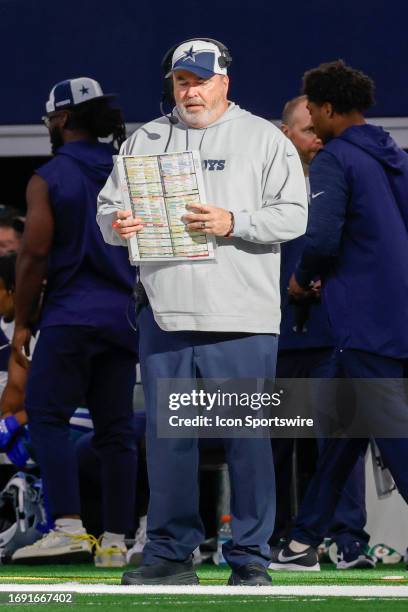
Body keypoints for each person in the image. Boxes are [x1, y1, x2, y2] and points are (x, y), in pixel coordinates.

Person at [97, 38, 307, 586]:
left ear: (225, 82)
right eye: (181, 81)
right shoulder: (146, 137)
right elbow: (107, 208)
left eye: (201, 80)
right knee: (169, 444)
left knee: (247, 445)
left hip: (242, 318)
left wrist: (232, 221)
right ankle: (168, 556)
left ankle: (251, 559)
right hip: (165, 316)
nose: (191, 91)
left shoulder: (264, 138)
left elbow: (294, 216)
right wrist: (116, 227)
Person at [272, 59, 408, 570]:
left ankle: (306, 536)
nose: (312, 119)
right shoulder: (395, 154)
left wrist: (302, 280)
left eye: (312, 110)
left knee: (393, 432)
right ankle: (304, 540)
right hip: (399, 313)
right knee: (349, 430)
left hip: (362, 319)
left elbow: (323, 238)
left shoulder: (335, 159)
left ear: (327, 109)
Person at [11, 77, 139, 567]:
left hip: (70, 314)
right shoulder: (127, 170)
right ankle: (115, 540)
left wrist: (22, 322)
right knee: (116, 430)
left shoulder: (50, 176)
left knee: (45, 416)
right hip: (124, 315)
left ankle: (66, 526)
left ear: (62, 120)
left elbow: (34, 254)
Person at [271, 96, 373, 570]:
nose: (315, 139)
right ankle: (274, 538)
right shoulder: (262, 187)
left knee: (339, 439)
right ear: (286, 134)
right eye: (305, 130)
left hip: (335, 334)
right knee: (273, 446)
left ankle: (347, 539)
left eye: (318, 129)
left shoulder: (345, 178)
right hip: (276, 335)